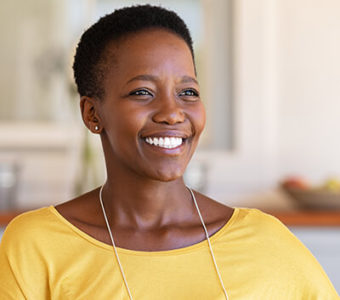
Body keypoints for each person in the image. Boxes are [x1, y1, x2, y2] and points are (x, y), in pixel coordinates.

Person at [0, 5, 338, 300]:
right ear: (92, 114)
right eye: (143, 92)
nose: (173, 112)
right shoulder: (37, 244)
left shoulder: (265, 242)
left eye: (188, 91)